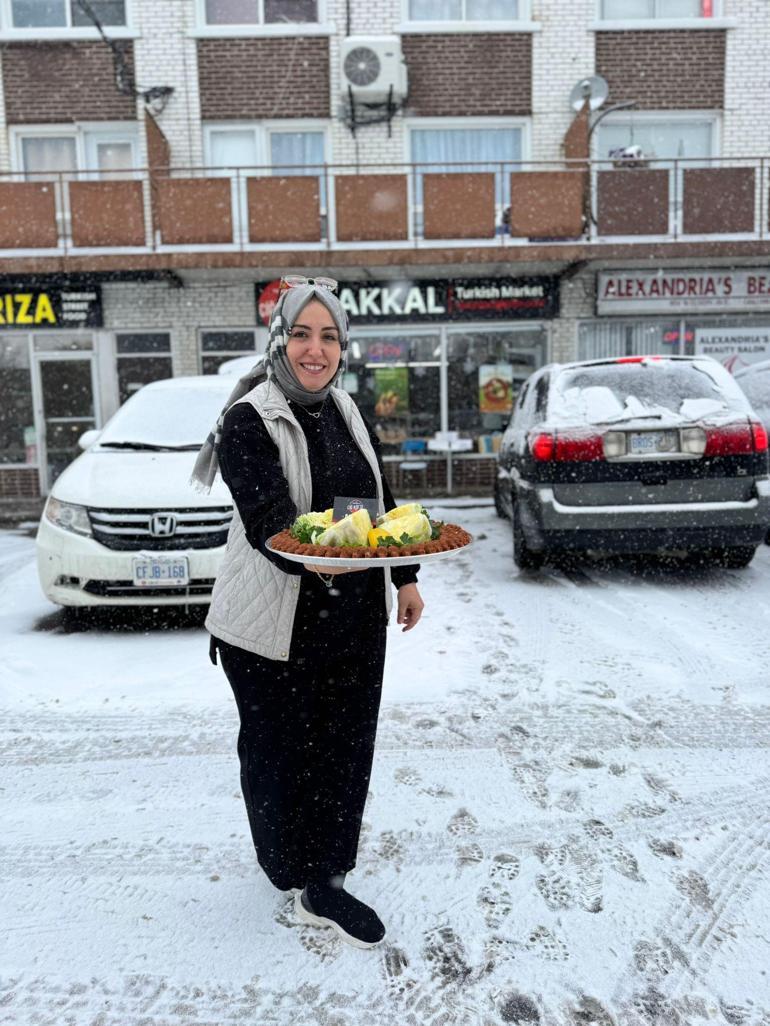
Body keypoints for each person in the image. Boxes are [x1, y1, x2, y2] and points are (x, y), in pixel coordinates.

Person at [192, 276, 425, 950]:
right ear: (280, 339)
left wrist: (403, 574)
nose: (315, 349)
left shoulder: (348, 410)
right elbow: (268, 517)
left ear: (343, 347)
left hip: (353, 617)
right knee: (276, 753)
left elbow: (382, 501)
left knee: (345, 749)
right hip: (272, 623)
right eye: (302, 333)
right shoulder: (248, 419)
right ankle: (285, 865)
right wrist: (311, 555)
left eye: (328, 336)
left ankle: (325, 876)